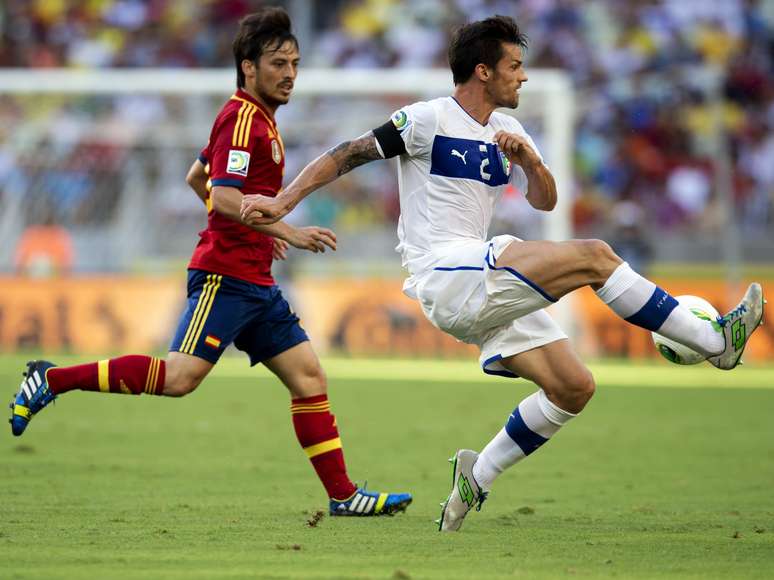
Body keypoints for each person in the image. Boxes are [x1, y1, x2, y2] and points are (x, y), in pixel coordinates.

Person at [239, 15, 765, 531]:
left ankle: (477, 476)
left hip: (480, 279)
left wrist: (532, 164)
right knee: (596, 255)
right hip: (445, 270)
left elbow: (545, 200)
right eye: (514, 65)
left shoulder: (508, 128)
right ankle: (712, 340)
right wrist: (286, 201)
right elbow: (346, 154)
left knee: (573, 388)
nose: (524, 75)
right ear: (483, 72)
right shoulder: (427, 120)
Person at [9, 7, 412, 518]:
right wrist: (284, 228)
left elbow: (196, 177)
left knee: (309, 378)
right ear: (248, 67)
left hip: (255, 278)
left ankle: (343, 496)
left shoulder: (255, 119)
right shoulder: (242, 119)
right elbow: (222, 199)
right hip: (225, 276)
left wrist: (262, 231)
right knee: (179, 378)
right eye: (277, 63)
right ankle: (50, 380)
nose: (289, 73)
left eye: (294, 62)